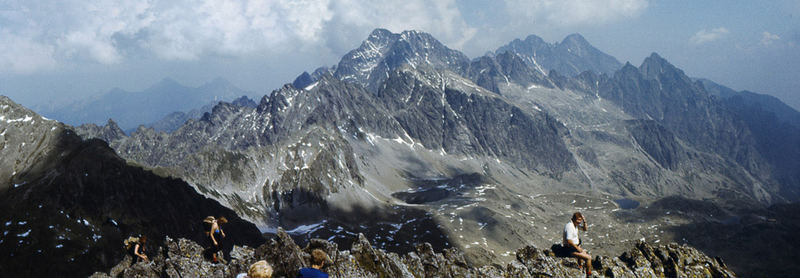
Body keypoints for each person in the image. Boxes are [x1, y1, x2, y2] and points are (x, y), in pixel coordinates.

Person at [563, 212, 591, 277]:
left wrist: (584, 221)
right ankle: (588, 274)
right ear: (573, 219)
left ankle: (580, 266)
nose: (579, 222)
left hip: (574, 248)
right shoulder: (569, 226)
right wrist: (578, 248)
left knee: (584, 253)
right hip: (569, 249)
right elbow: (569, 241)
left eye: (580, 220)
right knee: (588, 258)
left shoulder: (575, 225)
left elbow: (585, 229)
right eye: (578, 220)